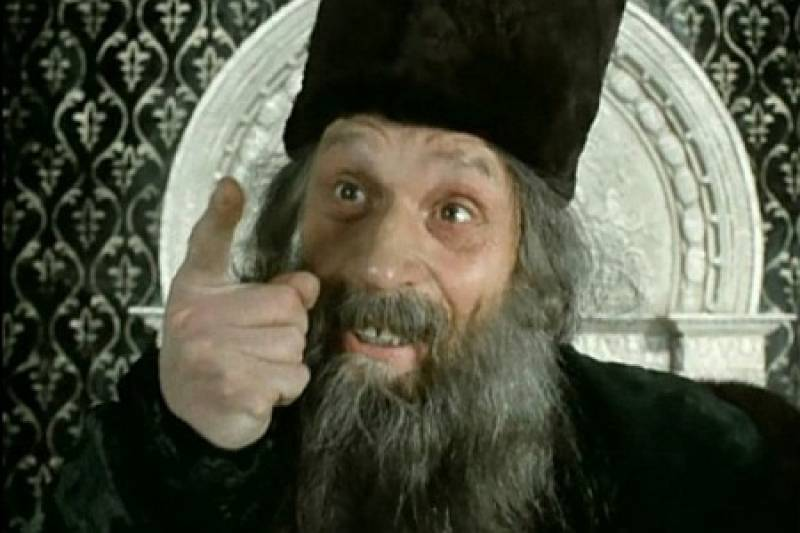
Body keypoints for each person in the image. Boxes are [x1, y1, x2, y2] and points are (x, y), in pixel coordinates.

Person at [45, 0, 799, 531]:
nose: (380, 265)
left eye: (455, 211)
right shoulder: (179, 434)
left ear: (529, 264)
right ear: (289, 224)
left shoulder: (700, 469)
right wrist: (183, 451)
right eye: (349, 191)